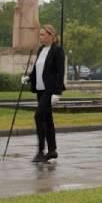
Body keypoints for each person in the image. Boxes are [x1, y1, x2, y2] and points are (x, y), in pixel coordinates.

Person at [27, 24, 65, 162]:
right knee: (47, 119)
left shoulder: (57, 50)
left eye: (42, 35)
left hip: (50, 90)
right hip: (40, 89)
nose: (40, 37)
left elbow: (60, 72)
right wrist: (29, 78)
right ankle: (52, 150)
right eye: (40, 34)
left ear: (51, 36)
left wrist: (57, 92)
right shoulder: (41, 50)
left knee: (38, 116)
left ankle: (40, 151)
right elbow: (38, 69)